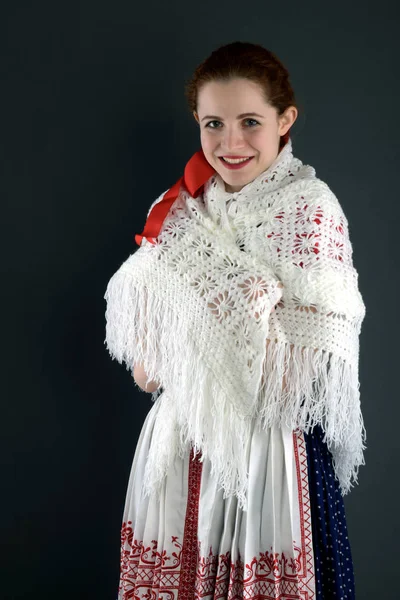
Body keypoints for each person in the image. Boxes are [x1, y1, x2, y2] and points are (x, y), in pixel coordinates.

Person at [104, 41, 366, 600]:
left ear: (285, 120)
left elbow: (308, 367)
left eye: (250, 122)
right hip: (181, 450)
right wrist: (239, 308)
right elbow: (148, 373)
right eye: (213, 123)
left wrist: (207, 325)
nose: (230, 143)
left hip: (273, 458)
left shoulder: (311, 208)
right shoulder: (177, 215)